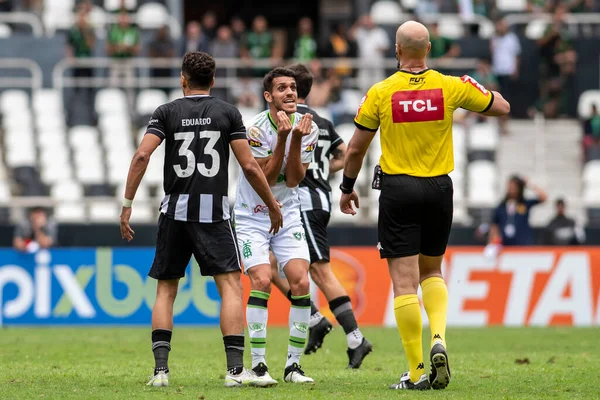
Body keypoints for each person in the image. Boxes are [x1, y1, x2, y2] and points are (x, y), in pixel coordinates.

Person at [340, 21, 510, 390]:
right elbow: (501, 106)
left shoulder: (381, 92)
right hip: (439, 188)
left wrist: (347, 187)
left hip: (399, 190)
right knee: (432, 272)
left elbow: (355, 149)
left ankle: (417, 372)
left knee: (404, 285)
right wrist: (474, 90)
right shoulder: (451, 86)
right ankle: (439, 338)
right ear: (428, 48)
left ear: (397, 51)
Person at [119, 51, 283, 388]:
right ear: (213, 80)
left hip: (174, 211)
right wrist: (272, 204)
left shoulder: (166, 112)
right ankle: (236, 372)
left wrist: (127, 204)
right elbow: (250, 166)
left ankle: (161, 372)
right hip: (213, 213)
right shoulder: (227, 112)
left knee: (166, 290)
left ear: (183, 78)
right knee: (230, 288)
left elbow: (141, 155)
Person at [266, 63, 372, 368]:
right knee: (270, 266)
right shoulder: (324, 122)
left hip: (306, 202)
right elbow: (343, 154)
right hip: (314, 200)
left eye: (288, 87)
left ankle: (354, 337)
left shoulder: (297, 122)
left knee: (320, 271)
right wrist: (324, 167)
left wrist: (314, 169)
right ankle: (316, 319)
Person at [233, 67, 319, 385]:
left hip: (287, 214)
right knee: (262, 280)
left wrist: (295, 138)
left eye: (293, 87)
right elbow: (266, 178)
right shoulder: (253, 129)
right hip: (252, 215)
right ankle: (258, 366)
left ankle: (293, 367)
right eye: (282, 88)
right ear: (269, 96)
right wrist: (282, 138)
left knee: (301, 282)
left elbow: (294, 179)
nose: (290, 93)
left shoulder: (307, 127)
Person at [488, 175, 547, 247]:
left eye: (514, 186)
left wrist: (529, 185)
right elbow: (494, 226)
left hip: (523, 245)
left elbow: (543, 197)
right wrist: (492, 242)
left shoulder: (525, 203)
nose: (511, 189)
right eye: (510, 186)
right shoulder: (501, 207)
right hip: (505, 246)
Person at [491, 19, 520, 134]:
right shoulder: (494, 39)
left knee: (505, 99)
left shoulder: (512, 38)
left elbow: (516, 55)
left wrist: (515, 69)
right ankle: (498, 123)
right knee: (495, 97)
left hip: (507, 71)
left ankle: (505, 124)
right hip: (497, 71)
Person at [352, 15, 390, 93]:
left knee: (378, 82)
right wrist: (358, 23)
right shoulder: (361, 31)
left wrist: (378, 49)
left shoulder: (379, 32)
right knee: (363, 84)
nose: (368, 24)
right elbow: (350, 35)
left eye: (369, 21)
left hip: (377, 63)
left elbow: (386, 47)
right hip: (364, 63)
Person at [106, 11, 140, 90]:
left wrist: (127, 48)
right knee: (113, 84)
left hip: (128, 61)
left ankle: (131, 102)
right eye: (122, 19)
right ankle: (113, 100)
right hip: (116, 60)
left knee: (130, 85)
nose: (123, 21)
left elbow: (137, 49)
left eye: (125, 19)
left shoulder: (133, 32)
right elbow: (108, 49)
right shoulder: (113, 31)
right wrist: (118, 47)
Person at [148, 25, 175, 93]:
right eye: (161, 31)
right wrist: (163, 56)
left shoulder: (169, 42)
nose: (163, 32)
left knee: (167, 90)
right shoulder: (153, 42)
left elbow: (171, 54)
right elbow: (151, 54)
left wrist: (160, 55)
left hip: (166, 70)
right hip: (156, 71)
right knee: (155, 91)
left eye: (164, 31)